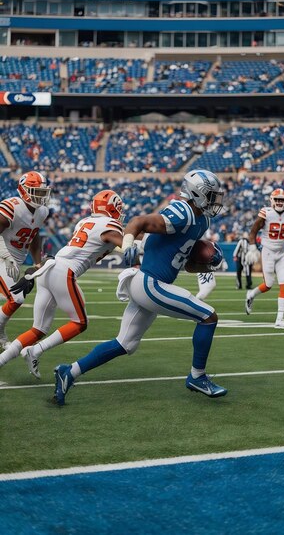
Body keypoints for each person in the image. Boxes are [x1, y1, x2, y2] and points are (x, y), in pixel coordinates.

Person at [53, 169, 227, 405]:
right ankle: (197, 376)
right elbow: (139, 222)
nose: (215, 200)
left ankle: (69, 372)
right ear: (196, 192)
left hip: (151, 284)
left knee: (125, 343)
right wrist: (127, 243)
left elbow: (185, 263)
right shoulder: (182, 211)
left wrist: (206, 264)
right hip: (151, 283)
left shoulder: (202, 219)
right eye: (211, 195)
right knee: (208, 316)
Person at [0, 190, 132, 376]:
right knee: (80, 323)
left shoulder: (85, 221)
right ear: (113, 208)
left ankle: (2, 359)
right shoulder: (110, 225)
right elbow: (121, 243)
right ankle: (35, 351)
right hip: (64, 272)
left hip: (49, 269)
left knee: (39, 329)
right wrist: (130, 247)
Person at [0, 171, 51, 350]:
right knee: (16, 299)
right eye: (35, 191)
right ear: (23, 191)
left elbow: (34, 235)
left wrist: (38, 263)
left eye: (42, 192)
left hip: (15, 260)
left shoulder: (42, 211)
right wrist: (6, 256)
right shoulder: (13, 206)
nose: (40, 196)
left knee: (16, 298)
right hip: (2, 257)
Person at [245, 188, 284, 329]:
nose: (280, 202)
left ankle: (280, 318)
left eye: (282, 200)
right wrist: (252, 247)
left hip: (281, 253)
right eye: (277, 199)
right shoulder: (266, 213)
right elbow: (253, 231)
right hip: (268, 251)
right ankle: (251, 294)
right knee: (268, 285)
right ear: (272, 200)